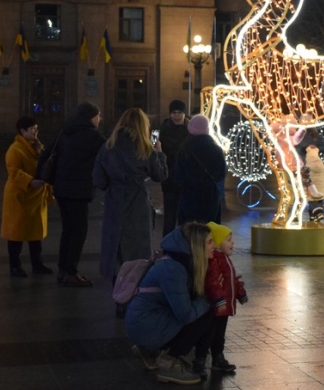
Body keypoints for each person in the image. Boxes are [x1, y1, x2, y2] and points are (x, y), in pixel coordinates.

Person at [126, 221, 215, 385]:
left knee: (204, 307)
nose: (214, 246)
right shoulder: (174, 269)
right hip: (145, 325)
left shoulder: (179, 262)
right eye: (209, 242)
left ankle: (151, 351)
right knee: (207, 312)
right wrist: (207, 301)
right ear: (196, 246)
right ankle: (169, 362)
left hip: (146, 321)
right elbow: (185, 314)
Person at [93, 107, 168, 282]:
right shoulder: (145, 148)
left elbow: (98, 180)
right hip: (137, 202)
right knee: (137, 246)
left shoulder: (108, 146)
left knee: (115, 245)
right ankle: (134, 291)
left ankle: (117, 290)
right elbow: (161, 175)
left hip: (114, 201)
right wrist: (160, 154)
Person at [48, 101, 105, 287]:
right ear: (91, 117)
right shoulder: (92, 136)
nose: (100, 119)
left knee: (68, 230)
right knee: (78, 232)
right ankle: (70, 272)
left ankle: (63, 269)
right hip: (78, 191)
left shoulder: (65, 131)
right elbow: (108, 154)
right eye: (98, 115)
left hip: (62, 189)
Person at [1, 116, 54, 277]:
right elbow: (14, 172)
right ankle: (15, 266)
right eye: (33, 129)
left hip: (36, 197)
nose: (36, 132)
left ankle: (37, 264)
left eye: (37, 129)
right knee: (16, 234)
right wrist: (31, 182)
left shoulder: (37, 146)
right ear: (23, 131)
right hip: (20, 197)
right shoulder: (15, 149)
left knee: (35, 234)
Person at [199, 222, 247, 378]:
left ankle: (217, 358)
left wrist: (240, 293)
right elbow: (212, 283)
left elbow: (232, 280)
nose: (232, 243)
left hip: (224, 307)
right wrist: (219, 301)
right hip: (218, 307)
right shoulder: (216, 261)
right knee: (210, 334)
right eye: (228, 239)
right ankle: (200, 360)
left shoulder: (225, 260)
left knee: (219, 335)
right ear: (219, 244)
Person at [174, 114, 226, 225]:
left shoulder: (184, 149)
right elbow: (222, 174)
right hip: (210, 197)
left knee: (189, 233)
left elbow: (178, 176)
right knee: (209, 231)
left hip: (189, 197)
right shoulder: (216, 149)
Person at [158, 100, 189, 236]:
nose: (176, 116)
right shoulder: (164, 130)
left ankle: (185, 247)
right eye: (174, 113)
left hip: (187, 181)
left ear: (184, 114)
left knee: (186, 218)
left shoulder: (191, 130)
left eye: (179, 113)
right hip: (169, 179)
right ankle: (168, 249)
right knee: (169, 217)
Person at [302, 143, 324, 222]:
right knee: (319, 203)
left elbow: (304, 178)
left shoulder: (307, 165)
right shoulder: (321, 164)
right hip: (321, 189)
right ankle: (314, 218)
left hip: (311, 189)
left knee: (313, 204)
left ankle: (318, 214)